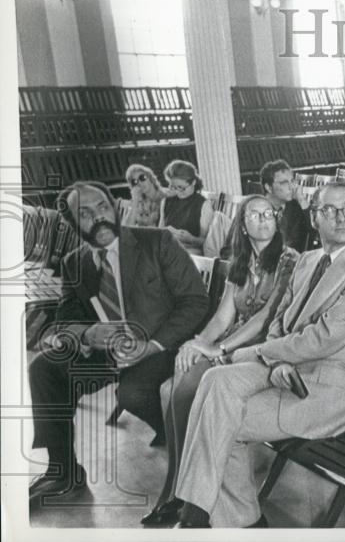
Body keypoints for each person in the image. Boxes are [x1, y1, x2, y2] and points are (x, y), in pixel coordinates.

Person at [172, 184, 345, 528]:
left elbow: (323, 339)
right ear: (313, 216)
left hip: (330, 390)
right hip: (287, 370)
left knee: (219, 422)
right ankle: (212, 516)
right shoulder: (307, 261)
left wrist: (260, 352)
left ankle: (206, 517)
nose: (341, 217)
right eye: (330, 210)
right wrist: (275, 360)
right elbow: (279, 319)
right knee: (214, 379)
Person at [28, 181, 208, 505]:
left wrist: (152, 345)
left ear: (113, 207)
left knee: (134, 393)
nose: (98, 218)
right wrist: (86, 334)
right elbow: (66, 318)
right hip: (110, 351)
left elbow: (195, 302)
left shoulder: (158, 242)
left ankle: (184, 439)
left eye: (102, 207)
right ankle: (63, 472)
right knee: (44, 367)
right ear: (72, 224)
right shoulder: (75, 262)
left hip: (160, 346)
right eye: (85, 214)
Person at [142, 195, 299, 527]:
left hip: (262, 349)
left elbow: (266, 319)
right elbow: (224, 314)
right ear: (242, 224)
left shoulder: (288, 260)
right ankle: (178, 489)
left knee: (189, 391)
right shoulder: (241, 260)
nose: (263, 219)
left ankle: (188, 500)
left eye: (268, 214)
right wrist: (199, 343)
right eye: (254, 215)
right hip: (235, 343)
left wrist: (221, 349)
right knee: (174, 385)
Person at [159, 160, 214, 255]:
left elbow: (207, 243)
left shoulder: (204, 205)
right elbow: (159, 232)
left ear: (193, 182)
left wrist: (191, 239)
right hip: (169, 249)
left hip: (191, 252)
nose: (178, 192)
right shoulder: (167, 201)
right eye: (174, 187)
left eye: (181, 187)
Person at [260, 159, 312, 252]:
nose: (291, 187)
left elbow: (317, 233)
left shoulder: (296, 207)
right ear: (268, 187)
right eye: (284, 183)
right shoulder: (255, 209)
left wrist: (302, 200)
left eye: (292, 181)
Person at [123, 163, 168, 227]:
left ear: (150, 177)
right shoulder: (136, 203)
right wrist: (135, 202)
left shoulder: (166, 195)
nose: (140, 183)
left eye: (142, 178)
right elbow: (125, 229)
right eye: (135, 181)